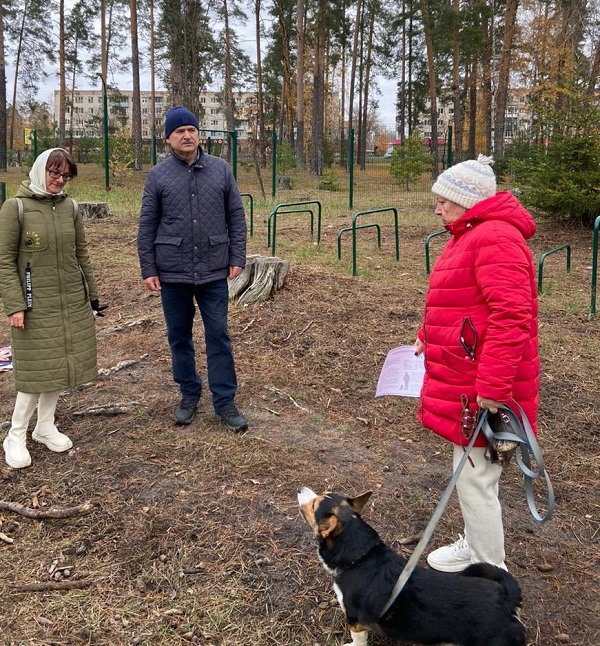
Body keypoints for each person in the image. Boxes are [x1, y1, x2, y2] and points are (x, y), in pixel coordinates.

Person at [414, 154, 539, 572]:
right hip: (466, 382)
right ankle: (475, 546)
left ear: (468, 201)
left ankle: (490, 574)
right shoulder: (469, 234)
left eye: (444, 200)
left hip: (483, 389)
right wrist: (426, 335)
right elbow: (462, 303)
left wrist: (493, 387)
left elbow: (511, 315)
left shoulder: (496, 238)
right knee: (471, 478)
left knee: (474, 480)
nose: (437, 208)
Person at [138, 106, 248, 431]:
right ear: (168, 138)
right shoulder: (158, 175)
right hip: (173, 273)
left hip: (214, 270)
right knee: (179, 338)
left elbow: (236, 218)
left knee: (218, 336)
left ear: (199, 134)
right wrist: (148, 267)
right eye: (179, 131)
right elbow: (147, 225)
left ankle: (225, 402)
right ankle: (188, 394)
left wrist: (237, 257)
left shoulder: (220, 169)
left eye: (191, 129)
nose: (187, 135)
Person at [0, 148, 105, 469]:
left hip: (70, 300)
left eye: (65, 176)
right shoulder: (14, 208)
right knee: (36, 370)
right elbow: (4, 261)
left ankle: (44, 426)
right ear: (39, 171)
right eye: (54, 173)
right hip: (34, 304)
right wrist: (14, 305)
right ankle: (15, 435)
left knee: (59, 365)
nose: (60, 180)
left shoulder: (70, 207)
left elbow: (81, 253)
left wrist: (92, 298)